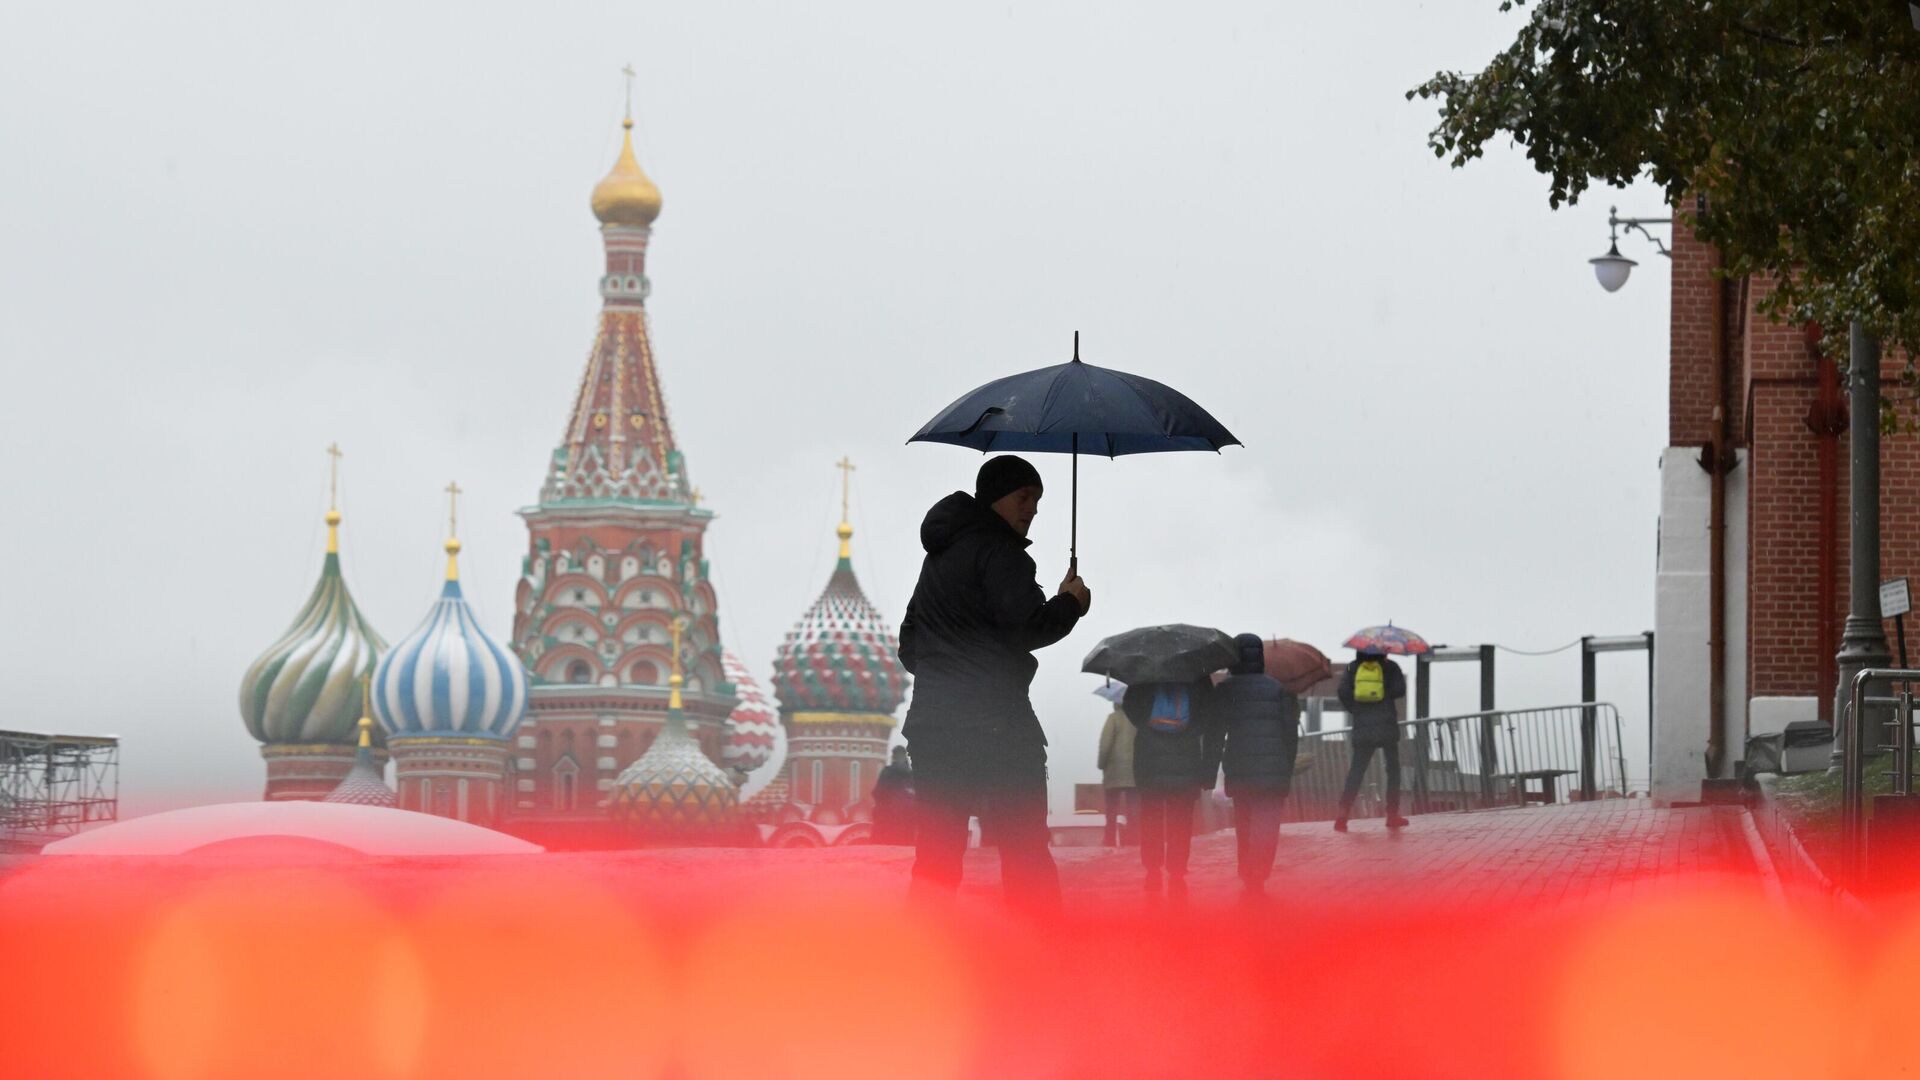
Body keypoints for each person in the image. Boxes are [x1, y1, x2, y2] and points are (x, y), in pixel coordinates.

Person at [896, 455, 1091, 914]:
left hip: (933, 731)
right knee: (1024, 851)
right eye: (1024, 498)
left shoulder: (938, 558)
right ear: (997, 497)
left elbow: (910, 645)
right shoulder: (1002, 554)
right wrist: (1070, 603)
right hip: (998, 731)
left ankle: (922, 958)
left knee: (937, 856)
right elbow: (1028, 627)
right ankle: (1036, 955)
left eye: (1038, 500)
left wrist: (952, 667)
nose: (1033, 509)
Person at [1215, 634, 1300, 898]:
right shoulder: (1277, 690)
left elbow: (1216, 731)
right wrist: (1286, 769)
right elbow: (1290, 734)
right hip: (1273, 769)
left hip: (1240, 768)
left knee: (1244, 823)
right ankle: (1259, 874)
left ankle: (1247, 872)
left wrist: (1210, 769)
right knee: (1268, 825)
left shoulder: (1226, 689)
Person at [1122, 675, 1220, 901]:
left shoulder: (1144, 674)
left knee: (1151, 818)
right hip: (1186, 756)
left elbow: (1130, 706)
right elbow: (1208, 711)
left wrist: (1146, 726)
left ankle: (1153, 872)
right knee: (1181, 819)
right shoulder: (1197, 674)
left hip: (1149, 757)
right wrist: (1192, 730)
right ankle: (1176, 873)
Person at [1335, 648, 1409, 831]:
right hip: (1386, 724)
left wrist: (1356, 709)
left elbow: (1342, 691)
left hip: (1363, 726)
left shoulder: (1353, 668)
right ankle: (1392, 814)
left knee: (1357, 771)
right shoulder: (1390, 667)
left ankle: (1342, 814)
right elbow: (1400, 690)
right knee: (1392, 769)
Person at [1096, 698, 1137, 846]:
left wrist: (1101, 764)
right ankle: (1133, 839)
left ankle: (1110, 839)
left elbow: (1105, 744)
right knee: (1133, 809)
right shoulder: (1136, 720)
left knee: (1111, 809)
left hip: (1114, 771)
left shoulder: (1113, 718)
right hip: (1133, 771)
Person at [869, 746, 916, 844]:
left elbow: (877, 793)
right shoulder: (912, 775)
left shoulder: (887, 773)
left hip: (887, 820)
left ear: (893, 757)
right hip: (907, 823)